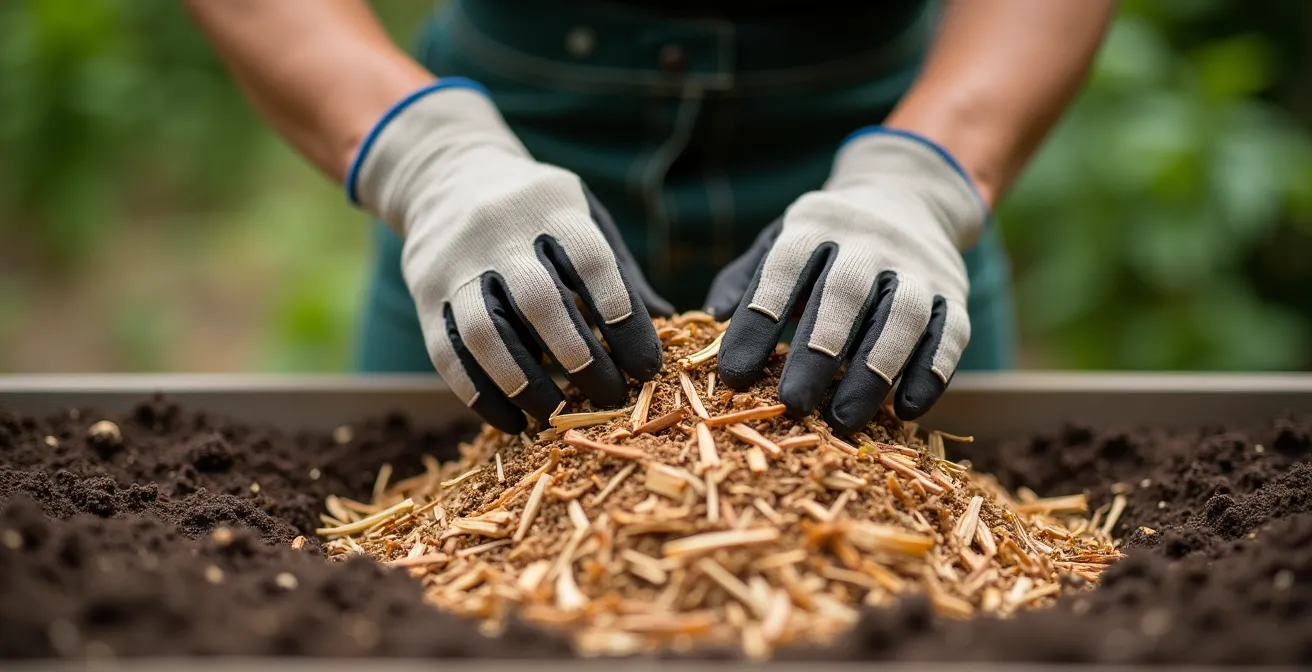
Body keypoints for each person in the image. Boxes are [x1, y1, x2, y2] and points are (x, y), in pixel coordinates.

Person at [184, 0, 1114, 436]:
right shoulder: (460, 177)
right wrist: (424, 154)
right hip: (494, 198)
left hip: (886, 180)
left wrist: (929, 175)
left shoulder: (910, 180)